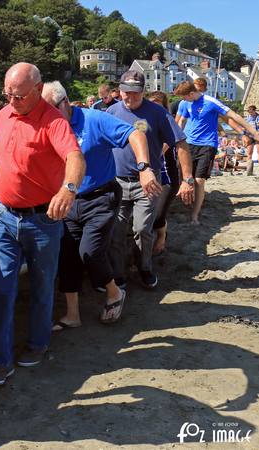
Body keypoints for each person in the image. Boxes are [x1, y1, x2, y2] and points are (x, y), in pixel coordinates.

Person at [0, 63, 85, 387]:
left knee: (42, 287)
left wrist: (68, 189)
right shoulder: (3, 114)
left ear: (39, 90)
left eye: (19, 96)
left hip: (43, 220)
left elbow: (74, 157)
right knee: (2, 289)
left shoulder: (53, 120)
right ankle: (1, 360)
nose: (12, 101)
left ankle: (38, 344)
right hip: (3, 216)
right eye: (8, 94)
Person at [41, 81, 153, 328]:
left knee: (89, 252)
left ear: (65, 102)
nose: (45, 115)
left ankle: (114, 292)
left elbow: (134, 134)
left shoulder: (94, 119)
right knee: (68, 257)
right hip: (68, 200)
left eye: (49, 109)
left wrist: (144, 168)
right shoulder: (48, 125)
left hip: (101, 197)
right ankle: (73, 315)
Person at [106, 70, 171, 290]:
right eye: (125, 92)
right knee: (116, 229)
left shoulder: (157, 113)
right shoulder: (111, 111)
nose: (129, 97)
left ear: (143, 91)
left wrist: (186, 177)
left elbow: (176, 141)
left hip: (148, 182)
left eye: (135, 93)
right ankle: (118, 272)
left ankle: (144, 266)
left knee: (142, 228)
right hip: (117, 181)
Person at [173, 80, 259, 224]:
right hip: (188, 143)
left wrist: (252, 131)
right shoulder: (184, 103)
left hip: (208, 144)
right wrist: (174, 139)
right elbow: (181, 121)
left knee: (199, 180)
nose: (182, 100)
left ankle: (195, 215)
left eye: (184, 97)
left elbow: (234, 116)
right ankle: (185, 203)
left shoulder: (210, 101)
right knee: (183, 176)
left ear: (191, 93)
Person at [147, 91, 195, 255]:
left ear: (165, 108)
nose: (154, 109)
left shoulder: (169, 125)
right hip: (149, 175)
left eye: (158, 106)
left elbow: (163, 149)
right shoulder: (143, 122)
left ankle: (162, 236)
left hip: (167, 176)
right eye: (151, 105)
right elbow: (132, 134)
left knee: (159, 214)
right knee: (148, 215)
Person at [243, 105, 259, 175]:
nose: (249, 112)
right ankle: (249, 171)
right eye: (248, 111)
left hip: (257, 135)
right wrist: (244, 135)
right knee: (249, 153)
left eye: (250, 110)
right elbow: (244, 127)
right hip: (249, 136)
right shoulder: (247, 118)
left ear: (254, 110)